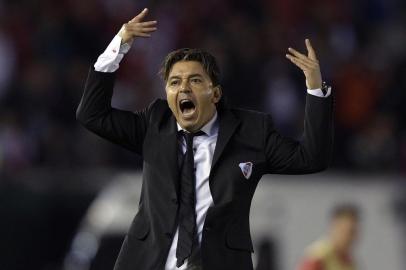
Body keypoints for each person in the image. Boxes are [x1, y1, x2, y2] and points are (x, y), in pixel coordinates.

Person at [76, 8, 334, 270]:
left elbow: (311, 158)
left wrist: (315, 88)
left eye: (195, 80)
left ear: (215, 93)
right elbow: (92, 115)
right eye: (174, 82)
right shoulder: (154, 123)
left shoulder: (251, 131)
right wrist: (118, 45)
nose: (184, 88)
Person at [297, 204, 360, 270]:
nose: (352, 238)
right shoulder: (317, 258)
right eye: (349, 231)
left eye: (355, 232)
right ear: (335, 227)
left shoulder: (351, 262)